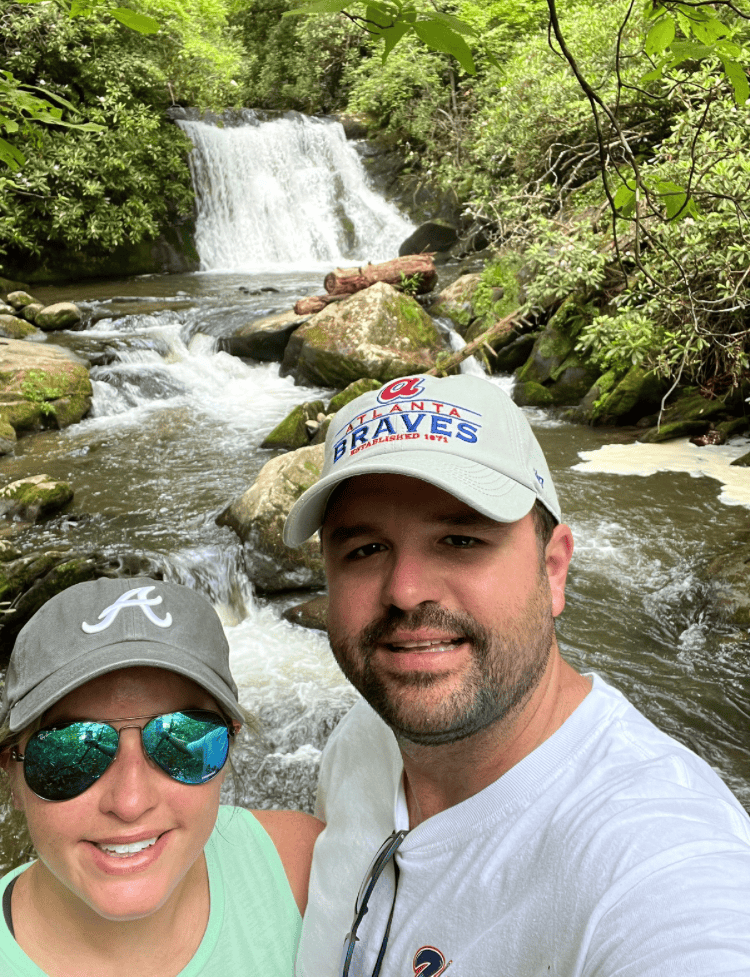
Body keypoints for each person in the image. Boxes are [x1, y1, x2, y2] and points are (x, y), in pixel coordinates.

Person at [282, 373, 750, 977]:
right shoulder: (362, 742)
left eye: (459, 539)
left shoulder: (659, 861)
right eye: (365, 549)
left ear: (553, 570)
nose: (404, 591)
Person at [0, 576, 323, 976]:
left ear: (229, 746)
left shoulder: (305, 870)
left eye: (182, 739)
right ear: (11, 774)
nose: (130, 802)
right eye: (70, 748)